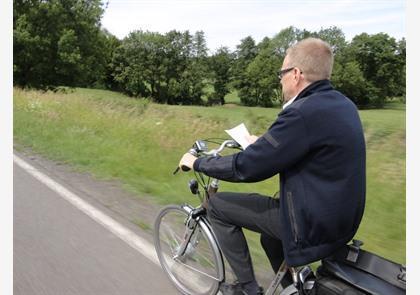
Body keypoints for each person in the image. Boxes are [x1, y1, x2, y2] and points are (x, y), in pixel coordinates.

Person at [179, 37, 366, 295]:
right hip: (341, 221)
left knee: (217, 206)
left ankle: (247, 289)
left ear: (296, 74)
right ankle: (298, 288)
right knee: (270, 237)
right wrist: (263, 143)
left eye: (282, 72)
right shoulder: (342, 105)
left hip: (309, 224)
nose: (280, 79)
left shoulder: (301, 112)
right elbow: (305, 147)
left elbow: (247, 168)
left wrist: (199, 162)